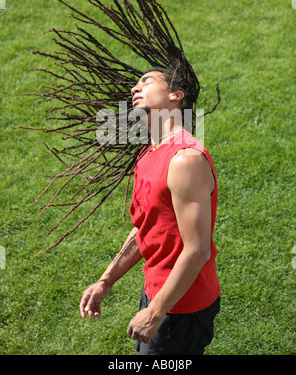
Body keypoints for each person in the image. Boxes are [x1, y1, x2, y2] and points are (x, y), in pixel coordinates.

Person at [79, 68, 220, 355]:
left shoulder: (185, 160)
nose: (134, 88)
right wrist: (105, 282)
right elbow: (146, 228)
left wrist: (155, 313)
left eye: (146, 81)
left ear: (175, 95)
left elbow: (197, 250)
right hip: (158, 290)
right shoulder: (149, 153)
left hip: (181, 304)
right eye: (135, 85)